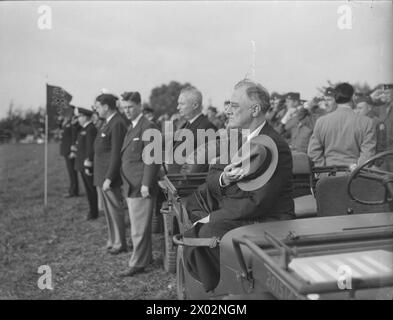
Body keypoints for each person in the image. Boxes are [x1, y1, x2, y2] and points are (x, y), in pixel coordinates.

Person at [183, 79, 294, 292]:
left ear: (255, 110)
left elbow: (258, 203)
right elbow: (212, 177)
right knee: (196, 230)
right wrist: (224, 179)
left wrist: (214, 215)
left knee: (206, 232)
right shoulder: (236, 138)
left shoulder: (274, 145)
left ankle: (232, 290)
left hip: (269, 221)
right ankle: (224, 288)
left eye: (234, 105)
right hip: (244, 213)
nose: (227, 110)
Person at [117, 91, 160, 277]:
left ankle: (137, 263)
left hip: (140, 186)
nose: (127, 111)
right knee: (139, 226)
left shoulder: (148, 126)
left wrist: (146, 184)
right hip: (131, 184)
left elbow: (153, 159)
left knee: (138, 229)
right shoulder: (133, 126)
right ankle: (145, 258)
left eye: (130, 107)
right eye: (124, 107)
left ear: (140, 106)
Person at [308, 83, 376, 168]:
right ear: (353, 97)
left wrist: (323, 170)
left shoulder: (321, 122)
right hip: (355, 176)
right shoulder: (366, 122)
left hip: (328, 175)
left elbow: (313, 151)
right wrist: (358, 170)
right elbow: (368, 154)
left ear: (335, 98)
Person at [93, 93, 128, 254]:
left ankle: (120, 243)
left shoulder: (117, 123)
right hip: (102, 175)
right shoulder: (109, 122)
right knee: (108, 211)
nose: (96, 109)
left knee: (115, 210)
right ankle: (113, 239)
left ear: (106, 107)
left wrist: (109, 177)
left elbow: (116, 153)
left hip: (109, 177)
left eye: (98, 106)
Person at [166, 86, 217, 173]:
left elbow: (203, 165)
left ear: (195, 105)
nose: (178, 107)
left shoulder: (207, 128)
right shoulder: (186, 125)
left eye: (182, 104)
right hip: (176, 182)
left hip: (189, 184)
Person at [74, 107, 98, 220]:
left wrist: (89, 163)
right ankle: (92, 210)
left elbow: (90, 148)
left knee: (91, 190)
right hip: (82, 164)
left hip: (86, 165)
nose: (78, 119)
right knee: (88, 190)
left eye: (79, 116)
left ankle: (93, 212)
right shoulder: (84, 128)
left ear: (85, 117)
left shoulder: (90, 129)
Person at [371, 84, 393, 170]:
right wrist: (372, 98)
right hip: (382, 155)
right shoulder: (380, 108)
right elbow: (367, 108)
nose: (384, 95)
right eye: (383, 93)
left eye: (387, 93)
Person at [59, 106, 80, 198]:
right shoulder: (66, 121)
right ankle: (72, 189)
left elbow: (74, 136)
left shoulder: (73, 121)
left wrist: (73, 150)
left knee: (72, 172)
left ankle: (74, 191)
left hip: (70, 151)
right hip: (66, 150)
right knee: (70, 172)